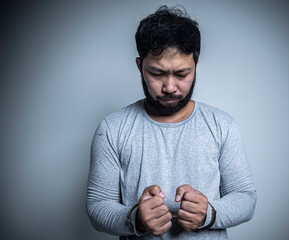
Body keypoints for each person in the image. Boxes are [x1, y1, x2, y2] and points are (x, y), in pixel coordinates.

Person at [86, 5, 257, 240]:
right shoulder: (112, 128)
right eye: (157, 74)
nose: (169, 87)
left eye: (181, 74)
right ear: (140, 67)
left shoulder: (222, 125)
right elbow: (97, 207)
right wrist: (135, 218)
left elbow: (245, 198)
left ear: (195, 66)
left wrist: (209, 213)